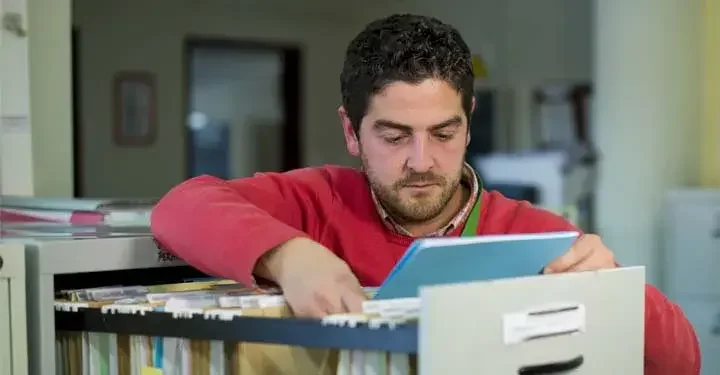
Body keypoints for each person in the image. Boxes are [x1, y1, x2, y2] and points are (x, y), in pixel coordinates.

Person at [151, 13, 700, 375]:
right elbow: (180, 207)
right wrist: (288, 254)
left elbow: (682, 361)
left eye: (443, 134)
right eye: (392, 136)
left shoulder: (532, 233)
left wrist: (615, 295)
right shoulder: (316, 202)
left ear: (469, 121)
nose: (421, 161)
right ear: (351, 131)